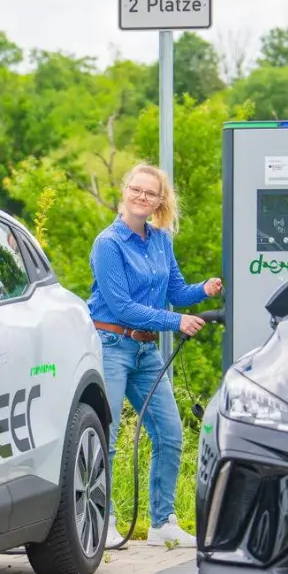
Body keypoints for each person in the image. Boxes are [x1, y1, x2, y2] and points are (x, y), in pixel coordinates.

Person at [86, 163, 223, 547]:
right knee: (107, 436)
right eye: (137, 189)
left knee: (170, 433)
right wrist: (177, 322)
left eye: (151, 193)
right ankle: (103, 521)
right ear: (125, 191)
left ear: (160, 200)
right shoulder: (108, 244)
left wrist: (205, 289)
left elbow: (176, 292)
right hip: (111, 345)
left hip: (146, 350)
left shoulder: (161, 240)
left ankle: (162, 523)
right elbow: (122, 306)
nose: (142, 197)